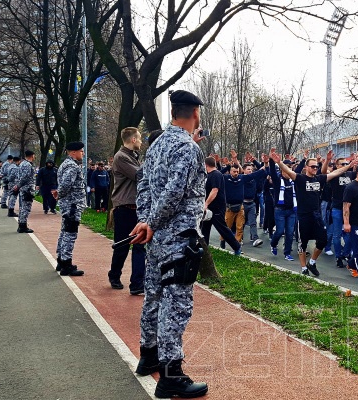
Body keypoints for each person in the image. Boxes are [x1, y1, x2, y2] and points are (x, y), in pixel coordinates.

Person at [130, 90, 209, 398]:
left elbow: (145, 185)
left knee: (154, 297)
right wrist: (151, 222)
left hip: (157, 239)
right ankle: (171, 374)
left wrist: (145, 220)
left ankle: (148, 353)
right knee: (175, 306)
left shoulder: (158, 143)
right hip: (177, 238)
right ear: (195, 115)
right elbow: (174, 194)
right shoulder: (188, 148)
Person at [271, 150, 353, 277]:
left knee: (322, 241)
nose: (315, 168)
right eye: (313, 166)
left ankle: (312, 262)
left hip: (317, 216)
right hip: (303, 216)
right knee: (302, 244)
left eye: (317, 166)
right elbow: (290, 172)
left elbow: (337, 172)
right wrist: (279, 162)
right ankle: (304, 268)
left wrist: (349, 165)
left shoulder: (319, 179)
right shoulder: (300, 178)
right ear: (306, 168)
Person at [108, 127, 146, 295]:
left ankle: (137, 284)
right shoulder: (121, 157)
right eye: (139, 138)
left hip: (137, 208)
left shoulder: (133, 156)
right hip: (124, 208)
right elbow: (139, 175)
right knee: (122, 246)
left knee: (139, 245)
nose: (140, 141)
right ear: (132, 140)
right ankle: (114, 275)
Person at [54, 142, 86, 276]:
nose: (83, 154)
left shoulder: (65, 164)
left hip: (68, 204)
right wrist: (59, 193)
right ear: (73, 152)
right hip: (72, 204)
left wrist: (59, 193)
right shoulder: (72, 166)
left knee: (65, 231)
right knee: (70, 233)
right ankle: (66, 264)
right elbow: (67, 184)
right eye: (81, 151)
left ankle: (61, 260)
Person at [200, 156, 243, 255]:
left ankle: (236, 246)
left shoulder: (216, 174)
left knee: (222, 228)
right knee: (204, 229)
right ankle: (204, 250)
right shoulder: (208, 175)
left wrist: (206, 204)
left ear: (206, 165)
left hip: (217, 207)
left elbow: (215, 190)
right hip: (209, 208)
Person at [267, 157, 297, 261]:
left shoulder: (293, 181)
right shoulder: (277, 180)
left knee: (289, 233)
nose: (289, 173)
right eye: (287, 171)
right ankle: (273, 244)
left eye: (290, 170)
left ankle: (287, 253)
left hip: (291, 211)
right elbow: (272, 171)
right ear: (282, 171)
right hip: (280, 210)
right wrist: (271, 159)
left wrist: (304, 159)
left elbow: (299, 169)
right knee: (279, 231)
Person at [15, 150, 36, 233]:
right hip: (27, 189)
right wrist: (19, 185)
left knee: (22, 207)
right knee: (26, 208)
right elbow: (25, 177)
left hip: (24, 189)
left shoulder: (22, 163)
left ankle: (21, 224)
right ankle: (23, 226)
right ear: (32, 155)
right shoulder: (27, 164)